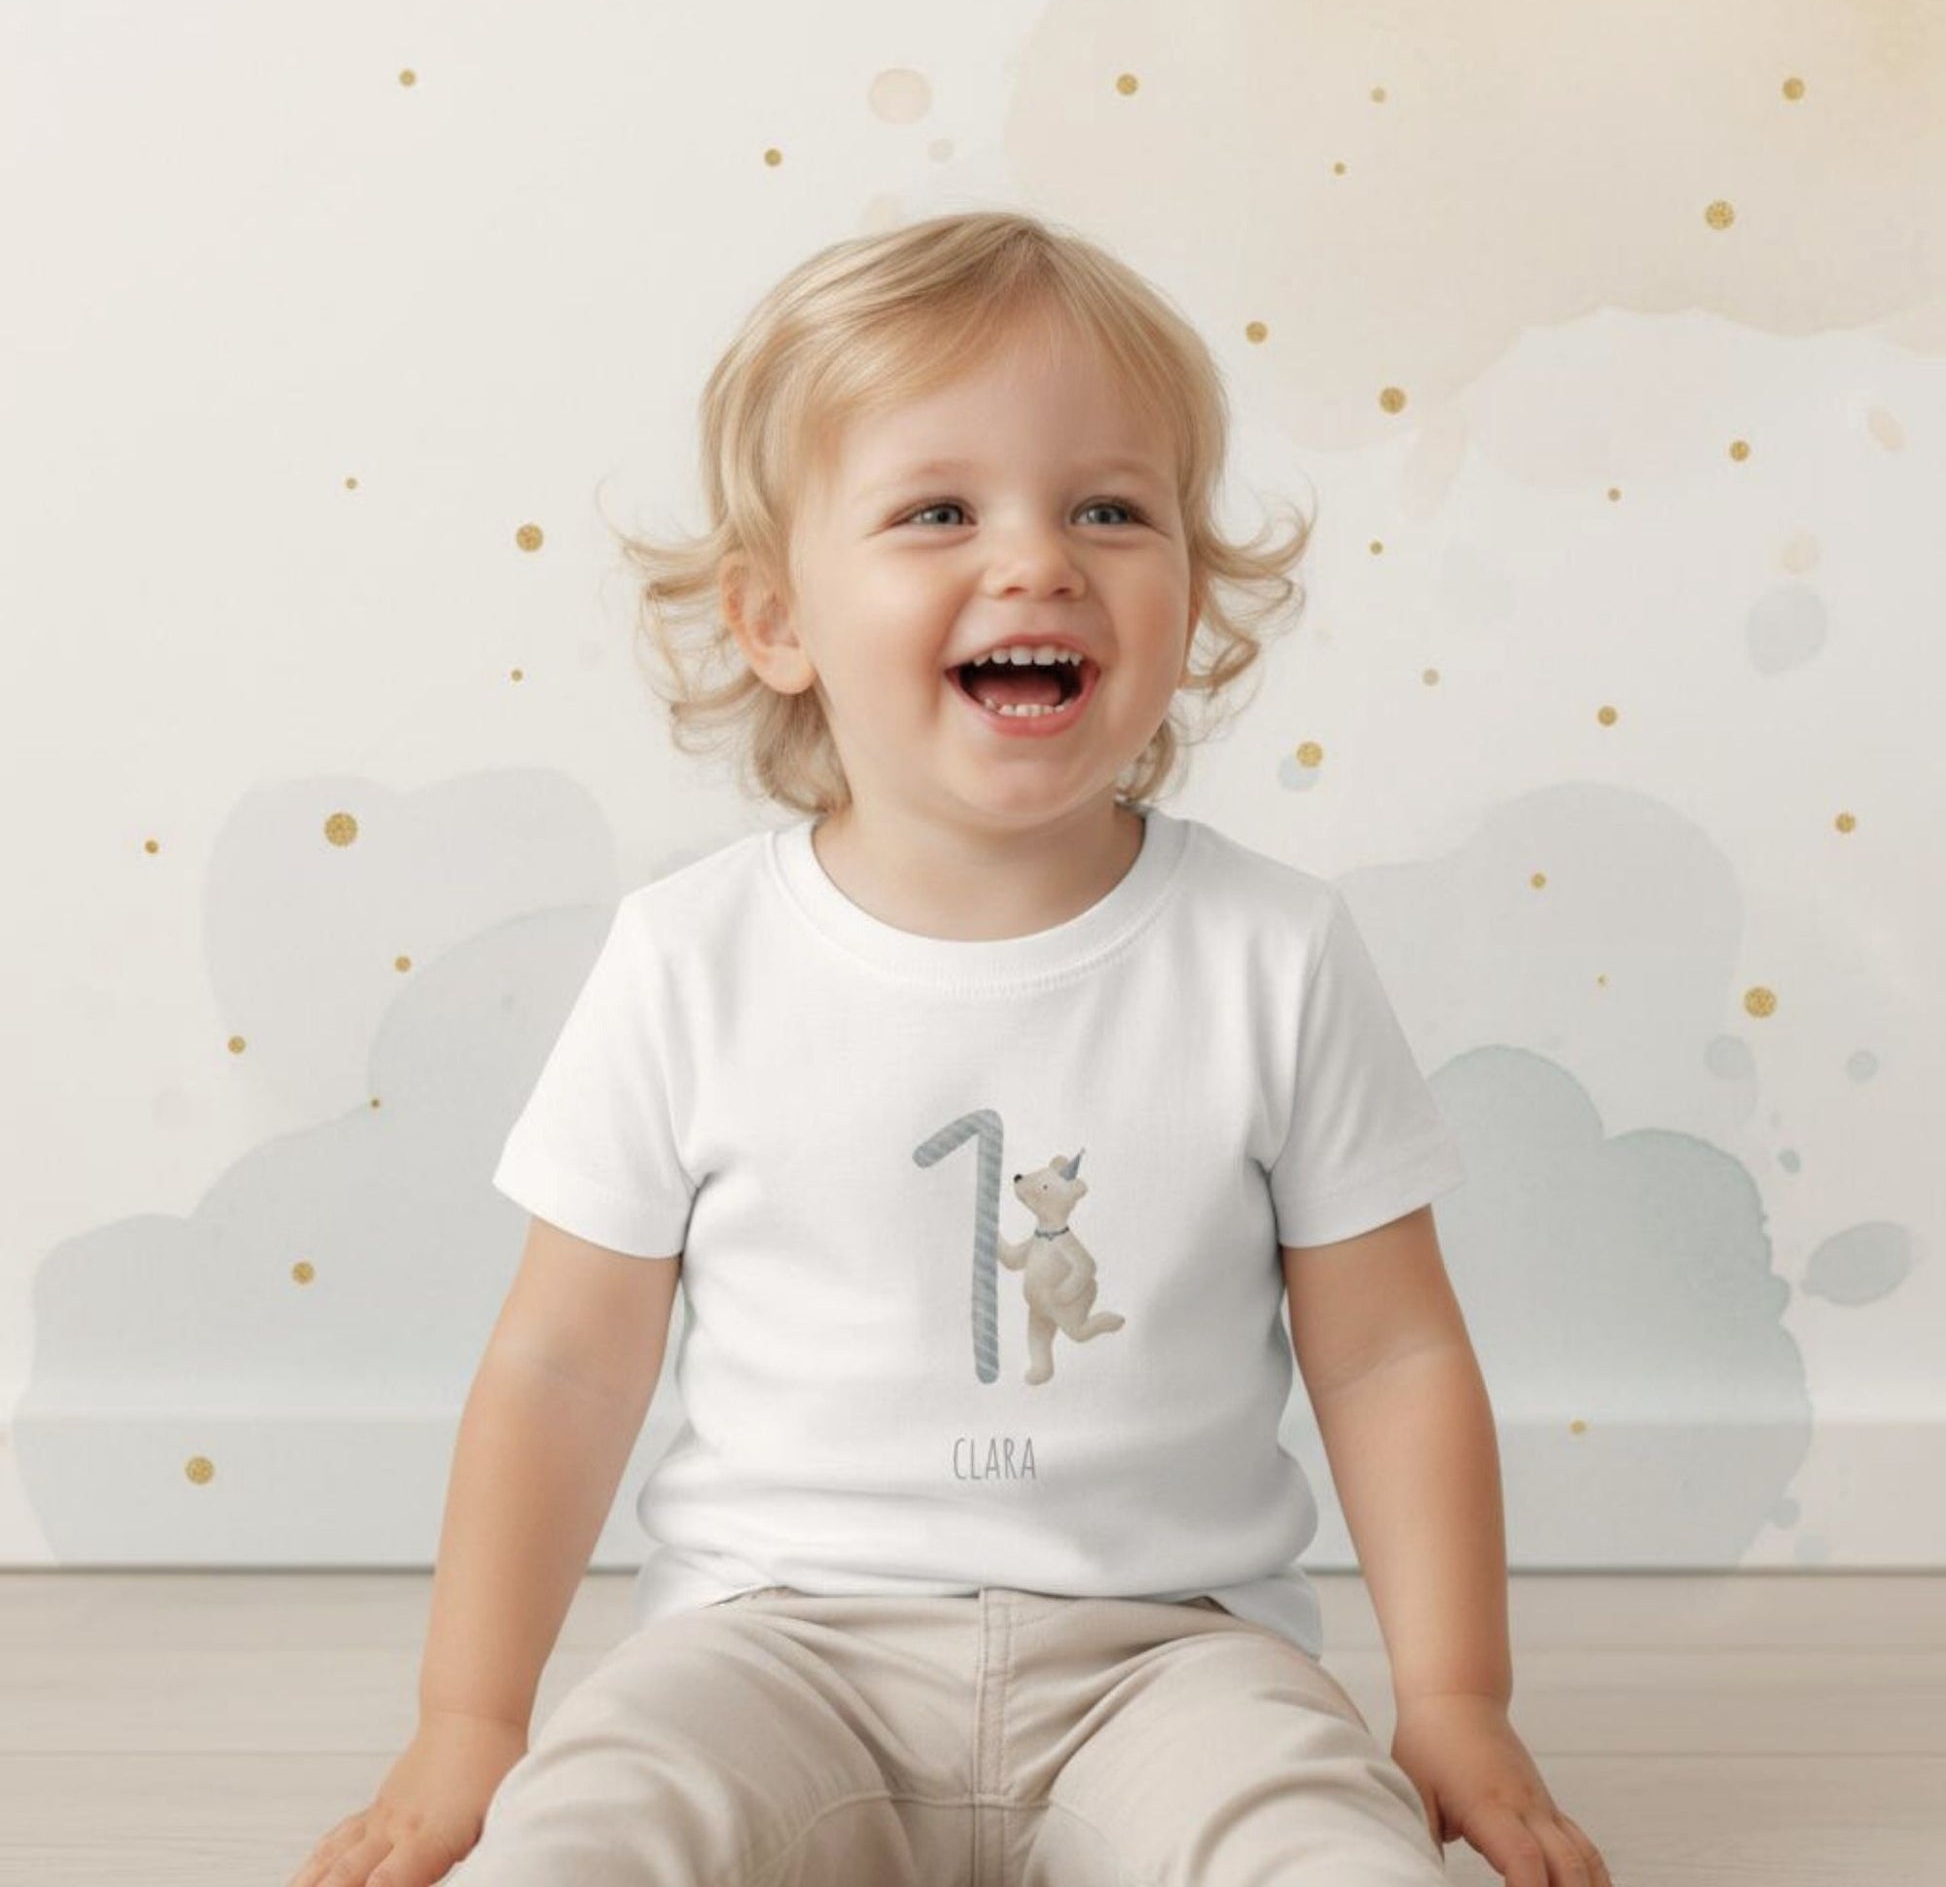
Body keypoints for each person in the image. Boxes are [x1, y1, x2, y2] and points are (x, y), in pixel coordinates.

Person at [286, 210, 1614, 1887]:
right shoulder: (689, 958)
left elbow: (1389, 1357)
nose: (1037, 561)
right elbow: (563, 1365)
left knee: (1326, 1852)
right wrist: (471, 1723)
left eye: (1109, 509)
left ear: (1193, 599)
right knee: (586, 1837)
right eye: (937, 511)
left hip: (1174, 1658)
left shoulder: (1271, 953)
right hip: (766, 1652)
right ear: (774, 618)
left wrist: (1456, 1698)